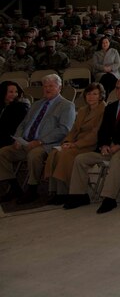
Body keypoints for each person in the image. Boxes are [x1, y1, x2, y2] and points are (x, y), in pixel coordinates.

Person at [64, 79, 120, 213]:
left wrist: (119, 146)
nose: (119, 90)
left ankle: (109, 198)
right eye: (117, 88)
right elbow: (103, 131)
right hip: (108, 148)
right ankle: (79, 195)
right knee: (81, 159)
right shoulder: (111, 107)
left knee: (117, 159)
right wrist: (103, 145)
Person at [0, 74, 76, 203]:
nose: (47, 89)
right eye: (45, 86)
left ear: (59, 87)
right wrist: (18, 138)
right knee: (3, 153)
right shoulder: (36, 104)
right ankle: (15, 187)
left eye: (51, 86)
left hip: (47, 144)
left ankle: (32, 188)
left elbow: (64, 129)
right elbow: (23, 124)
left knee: (34, 155)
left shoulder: (66, 105)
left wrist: (41, 141)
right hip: (26, 142)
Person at [44, 82, 106, 204]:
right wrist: (67, 142)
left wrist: (75, 145)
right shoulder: (83, 110)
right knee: (55, 152)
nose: (91, 96)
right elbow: (73, 130)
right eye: (88, 94)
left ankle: (65, 193)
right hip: (76, 142)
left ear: (100, 96)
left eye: (95, 94)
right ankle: (57, 191)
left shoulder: (104, 110)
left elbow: (95, 134)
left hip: (90, 145)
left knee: (65, 155)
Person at [0, 80, 30, 149]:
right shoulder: (3, 106)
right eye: (11, 92)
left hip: (12, 138)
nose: (14, 94)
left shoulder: (21, 107)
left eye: (16, 92)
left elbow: (16, 129)